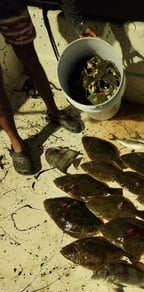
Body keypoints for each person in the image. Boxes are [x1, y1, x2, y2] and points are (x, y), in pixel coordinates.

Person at [0, 1, 83, 175]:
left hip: (9, 5)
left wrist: (79, 23)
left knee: (30, 58)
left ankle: (54, 112)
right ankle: (17, 144)